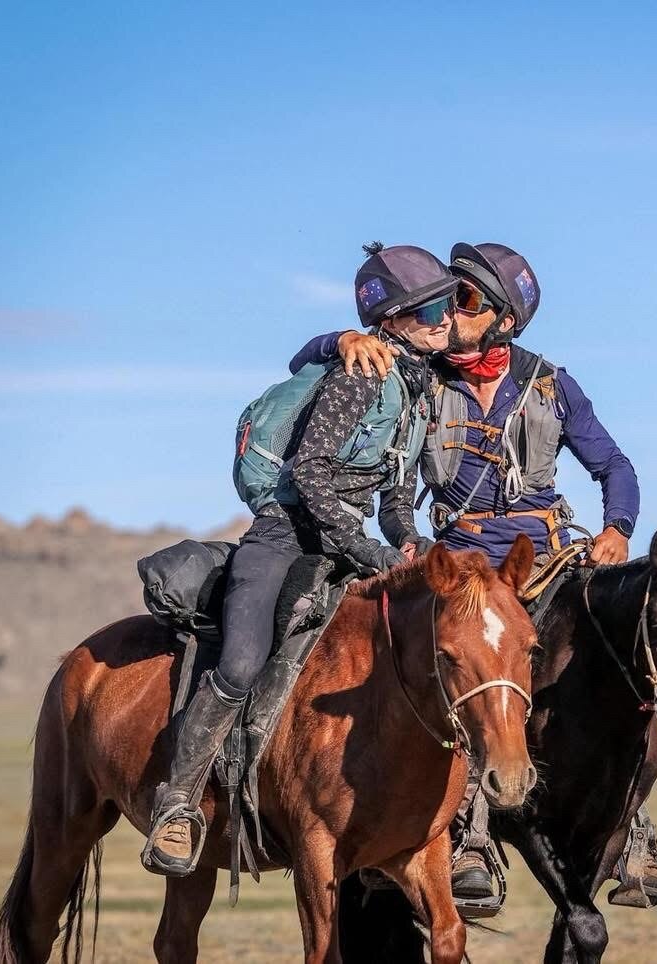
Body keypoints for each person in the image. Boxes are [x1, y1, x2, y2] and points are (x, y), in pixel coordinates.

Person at [290, 243, 657, 906]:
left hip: (547, 559)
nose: (448, 311)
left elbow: (616, 468)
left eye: (464, 300)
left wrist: (617, 530)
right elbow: (308, 363)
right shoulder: (416, 372)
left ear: (501, 317)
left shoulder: (552, 385)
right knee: (452, 685)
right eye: (445, 298)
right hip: (464, 566)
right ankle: (466, 836)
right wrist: (342, 337)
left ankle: (633, 831)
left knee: (628, 655)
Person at [141, 244, 456, 877]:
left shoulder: (418, 396)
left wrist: (408, 542)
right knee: (241, 659)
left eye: (448, 306)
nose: (446, 319)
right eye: (433, 309)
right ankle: (176, 805)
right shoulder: (359, 372)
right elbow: (310, 474)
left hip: (345, 544)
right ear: (392, 320)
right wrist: (368, 549)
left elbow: (393, 497)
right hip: (283, 536)